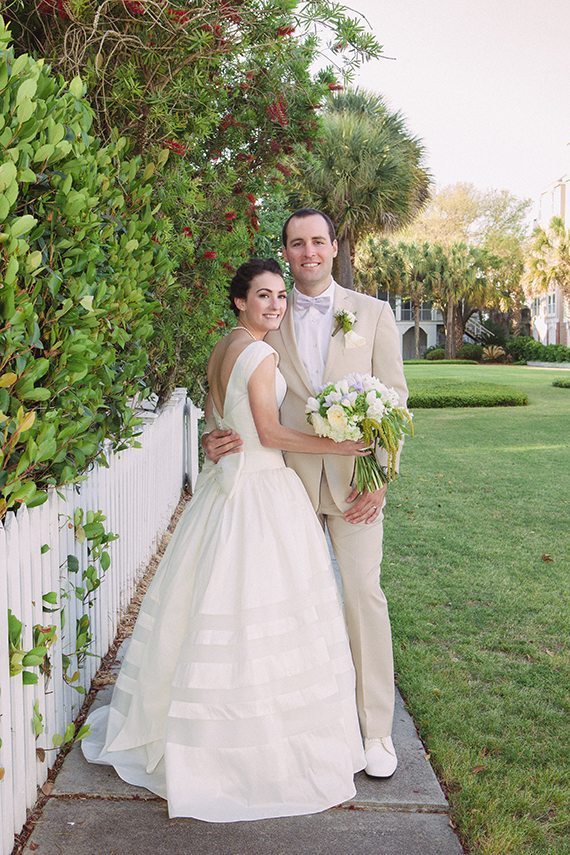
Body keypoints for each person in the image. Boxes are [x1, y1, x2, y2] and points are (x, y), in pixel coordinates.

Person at [81, 258, 369, 822]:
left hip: (224, 491)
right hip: (259, 491)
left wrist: (213, 443)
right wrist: (340, 445)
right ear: (240, 301)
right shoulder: (260, 352)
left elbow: (219, 425)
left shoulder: (224, 347)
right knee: (258, 611)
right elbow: (267, 433)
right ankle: (247, 751)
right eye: (264, 296)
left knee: (214, 606)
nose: (276, 305)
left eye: (281, 296)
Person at [204, 210, 408, 778]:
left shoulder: (374, 313)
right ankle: (297, 724)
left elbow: (395, 399)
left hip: (355, 487)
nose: (309, 252)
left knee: (363, 597)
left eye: (318, 241)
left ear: (334, 247)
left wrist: (382, 480)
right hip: (283, 483)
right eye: (297, 243)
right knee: (284, 606)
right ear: (286, 251)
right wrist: (213, 431)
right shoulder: (269, 316)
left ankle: (374, 732)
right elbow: (231, 389)